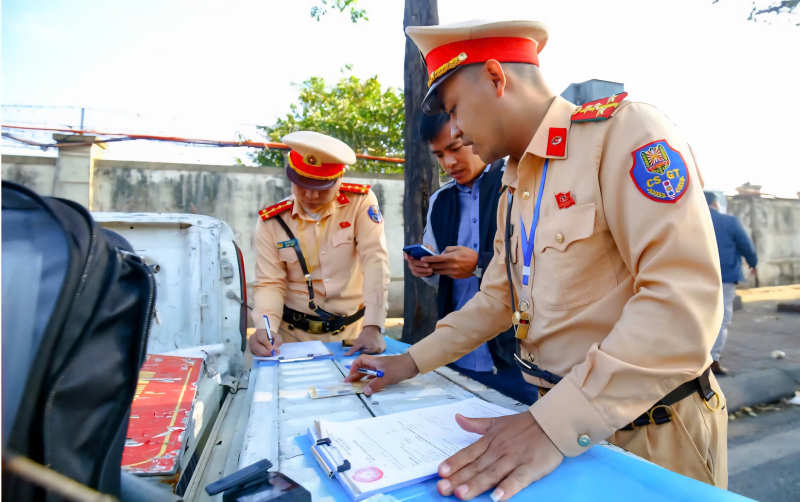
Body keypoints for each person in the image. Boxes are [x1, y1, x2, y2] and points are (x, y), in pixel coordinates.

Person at [347, 19, 728, 499]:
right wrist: (411, 362)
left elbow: (681, 307)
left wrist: (552, 425)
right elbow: (496, 300)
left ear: (495, 77)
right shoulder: (514, 184)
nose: (457, 130)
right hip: (554, 425)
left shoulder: (623, 134)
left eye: (455, 109)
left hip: (649, 429)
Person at [404, 112, 538, 405]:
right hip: (456, 354)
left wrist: (479, 264)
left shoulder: (518, 186)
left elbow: (540, 265)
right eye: (439, 154)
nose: (448, 163)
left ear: (474, 134)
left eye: (455, 148)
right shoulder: (441, 201)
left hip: (515, 358)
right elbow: (439, 278)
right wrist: (427, 269)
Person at [249, 131, 390, 357]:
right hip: (291, 338)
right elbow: (269, 282)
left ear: (339, 179)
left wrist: (374, 326)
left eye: (321, 187)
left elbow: (375, 262)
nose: (310, 195)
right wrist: (266, 329)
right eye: (302, 184)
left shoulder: (360, 203)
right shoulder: (272, 221)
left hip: (353, 336)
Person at [705, 191, 758, 375]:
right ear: (715, 203)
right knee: (721, 318)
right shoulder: (730, 222)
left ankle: (695, 358)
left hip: (698, 278)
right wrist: (753, 263)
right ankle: (713, 359)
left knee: (700, 316)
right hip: (726, 277)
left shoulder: (689, 222)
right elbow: (746, 245)